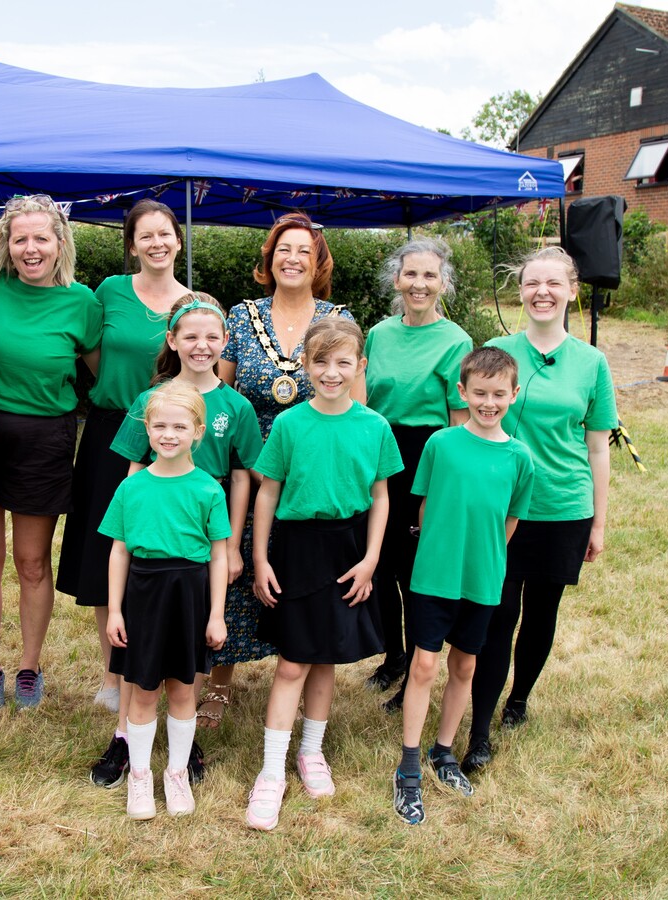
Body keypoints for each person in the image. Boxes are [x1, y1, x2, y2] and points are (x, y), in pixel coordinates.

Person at [89, 293, 262, 789]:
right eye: (191, 336)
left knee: (194, 637)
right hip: (153, 535)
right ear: (173, 341)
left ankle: (183, 743)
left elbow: (242, 475)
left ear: (225, 342)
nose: (201, 345)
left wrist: (229, 546)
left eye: (212, 336)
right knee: (140, 645)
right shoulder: (151, 400)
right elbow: (134, 466)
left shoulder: (235, 406)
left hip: (203, 534)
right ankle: (124, 736)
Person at [201, 212, 361, 732]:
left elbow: (357, 409)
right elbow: (219, 396)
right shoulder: (243, 316)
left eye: (304, 252)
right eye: (282, 250)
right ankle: (219, 684)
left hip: (315, 474)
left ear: (318, 264)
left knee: (307, 583)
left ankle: (301, 683)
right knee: (235, 573)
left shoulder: (338, 318)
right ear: (268, 259)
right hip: (249, 472)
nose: (292, 259)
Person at [462, 246, 617, 775]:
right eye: (532, 283)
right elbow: (470, 425)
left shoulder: (592, 363)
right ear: (520, 290)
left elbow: (598, 448)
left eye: (554, 283)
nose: (542, 292)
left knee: (541, 615)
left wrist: (598, 520)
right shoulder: (497, 350)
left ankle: (519, 699)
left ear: (573, 290)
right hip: (501, 512)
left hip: (562, 507)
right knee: (496, 617)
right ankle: (479, 731)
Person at [245, 318, 401, 831]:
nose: (331, 373)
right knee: (293, 662)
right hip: (298, 550)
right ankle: (271, 771)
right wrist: (263, 558)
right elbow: (267, 492)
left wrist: (372, 558)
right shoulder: (289, 425)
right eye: (320, 362)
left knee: (328, 657)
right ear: (305, 365)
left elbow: (381, 497)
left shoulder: (375, 427)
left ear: (360, 366)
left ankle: (311, 752)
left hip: (349, 549)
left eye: (343, 363)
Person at [0, 195, 102, 710]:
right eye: (20, 238)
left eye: (41, 237)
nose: (30, 247)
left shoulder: (81, 302)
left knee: (33, 561)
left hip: (46, 440)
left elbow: (105, 373)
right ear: (5, 242)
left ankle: (29, 668)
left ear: (59, 243)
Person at [392, 347, 534, 826]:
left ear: (513, 395)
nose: (488, 402)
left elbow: (510, 519)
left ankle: (444, 751)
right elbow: (425, 506)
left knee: (465, 665)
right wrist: (440, 551)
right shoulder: (441, 444)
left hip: (483, 577)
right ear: (463, 393)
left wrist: (483, 555)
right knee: (424, 664)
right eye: (479, 393)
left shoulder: (520, 458)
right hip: (433, 575)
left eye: (498, 394)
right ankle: (409, 764)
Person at [56, 200, 188, 713]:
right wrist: (116, 387)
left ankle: (159, 663)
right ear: (132, 245)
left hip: (172, 439)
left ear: (178, 240)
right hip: (113, 433)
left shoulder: (195, 300)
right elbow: (92, 352)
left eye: (165, 234)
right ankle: (113, 674)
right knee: (106, 551)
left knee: (160, 550)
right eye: (145, 236)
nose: (156, 243)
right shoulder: (108, 292)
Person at [100, 381, 230, 819]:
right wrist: (115, 609)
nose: (168, 435)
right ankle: (139, 776)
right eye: (159, 426)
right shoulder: (131, 489)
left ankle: (175, 773)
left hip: (189, 594)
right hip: (144, 593)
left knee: (182, 688)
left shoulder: (209, 489)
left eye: (179, 426)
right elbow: (119, 551)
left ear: (198, 431)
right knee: (142, 689)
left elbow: (217, 555)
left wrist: (215, 615)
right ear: (147, 430)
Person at [364, 238, 472, 710]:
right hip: (379, 454)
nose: (420, 284)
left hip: (425, 456)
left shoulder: (456, 340)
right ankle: (392, 657)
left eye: (430, 275)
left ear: (443, 282)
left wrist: (441, 491)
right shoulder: (378, 333)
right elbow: (364, 404)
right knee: (379, 565)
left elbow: (458, 424)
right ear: (397, 280)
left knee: (412, 572)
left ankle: (414, 668)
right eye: (411, 274)